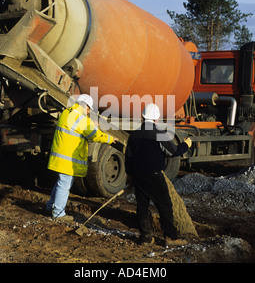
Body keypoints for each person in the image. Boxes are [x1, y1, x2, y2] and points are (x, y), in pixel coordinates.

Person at [125, 103, 191, 246]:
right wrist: (186, 145)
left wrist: (130, 175)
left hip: (138, 176)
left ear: (142, 116)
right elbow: (174, 152)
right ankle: (171, 237)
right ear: (157, 118)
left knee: (142, 207)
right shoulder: (159, 134)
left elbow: (128, 158)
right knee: (165, 206)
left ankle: (146, 238)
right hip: (154, 176)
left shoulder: (134, 135)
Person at [46, 94, 117, 221]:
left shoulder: (67, 113)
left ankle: (50, 206)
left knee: (61, 182)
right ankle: (58, 214)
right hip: (67, 158)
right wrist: (110, 139)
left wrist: (91, 123)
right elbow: (94, 135)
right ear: (86, 106)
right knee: (64, 184)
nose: (89, 112)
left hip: (61, 156)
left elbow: (80, 127)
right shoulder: (81, 119)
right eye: (89, 109)